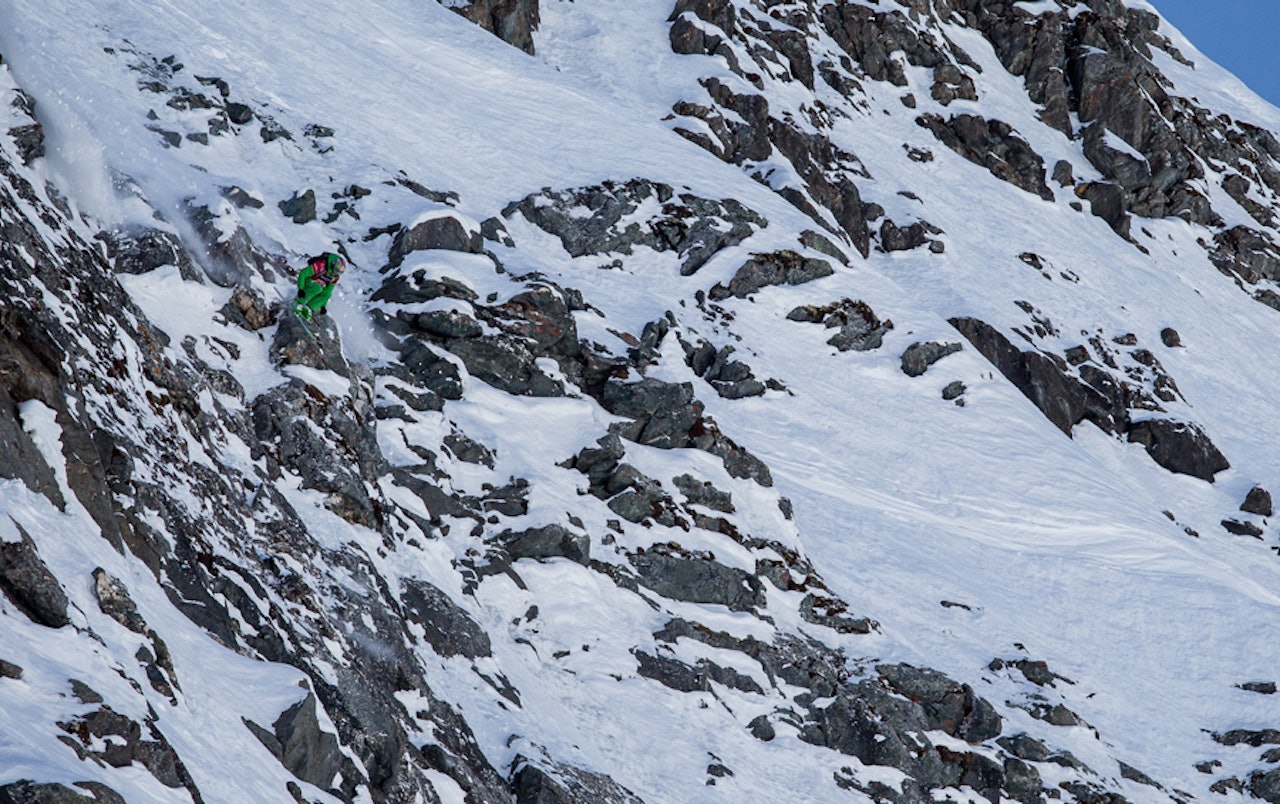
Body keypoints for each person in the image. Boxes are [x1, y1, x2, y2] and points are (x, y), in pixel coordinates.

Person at [295, 252, 346, 321]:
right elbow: (303, 273)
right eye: (336, 271)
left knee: (326, 294)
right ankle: (298, 303)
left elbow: (328, 291)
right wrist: (300, 289)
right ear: (333, 266)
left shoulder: (335, 277)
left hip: (317, 284)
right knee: (318, 288)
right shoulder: (321, 265)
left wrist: (323, 306)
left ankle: (308, 308)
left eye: (339, 273)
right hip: (308, 280)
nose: (336, 273)